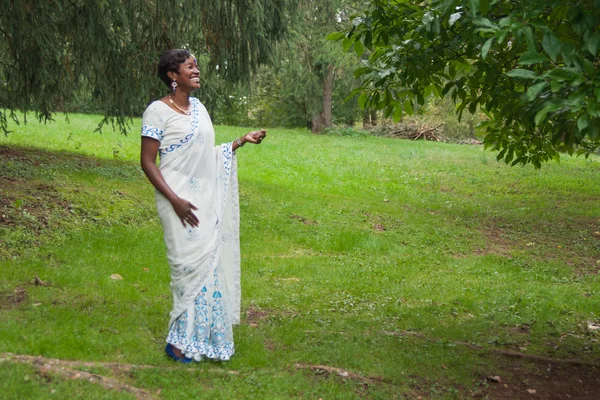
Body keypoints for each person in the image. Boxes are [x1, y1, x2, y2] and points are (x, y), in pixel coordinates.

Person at [140, 49, 266, 363]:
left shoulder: (199, 108)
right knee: (185, 268)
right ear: (173, 75)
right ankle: (178, 343)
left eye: (197, 67)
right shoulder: (157, 112)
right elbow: (147, 162)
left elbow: (207, 153)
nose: (197, 71)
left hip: (201, 200)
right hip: (176, 200)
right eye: (190, 67)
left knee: (208, 267)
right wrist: (175, 200)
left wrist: (239, 141)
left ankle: (203, 337)